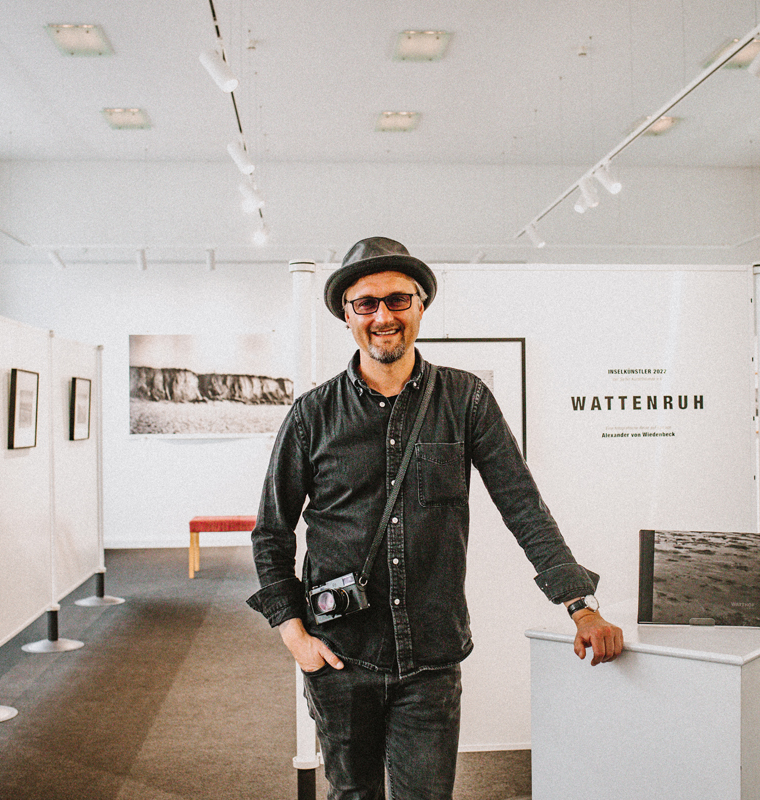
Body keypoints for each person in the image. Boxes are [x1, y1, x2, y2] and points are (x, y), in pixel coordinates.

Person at [247, 237, 623, 800]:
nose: (383, 316)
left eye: (398, 300)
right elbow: (271, 532)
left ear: (421, 306)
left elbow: (523, 506)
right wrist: (293, 635)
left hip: (431, 657)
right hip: (340, 655)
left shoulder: (466, 400)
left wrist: (581, 604)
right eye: (366, 303)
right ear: (347, 315)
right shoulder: (312, 414)